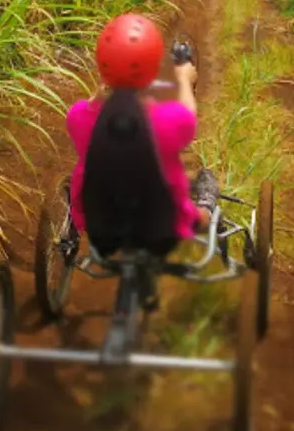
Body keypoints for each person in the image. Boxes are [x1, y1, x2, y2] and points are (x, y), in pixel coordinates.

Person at [66, 14, 212, 260]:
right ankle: (207, 203)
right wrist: (184, 80)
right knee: (206, 199)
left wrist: (101, 93)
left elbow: (88, 107)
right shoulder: (167, 121)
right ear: (152, 67)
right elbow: (189, 114)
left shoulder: (78, 117)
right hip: (163, 229)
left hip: (98, 226)